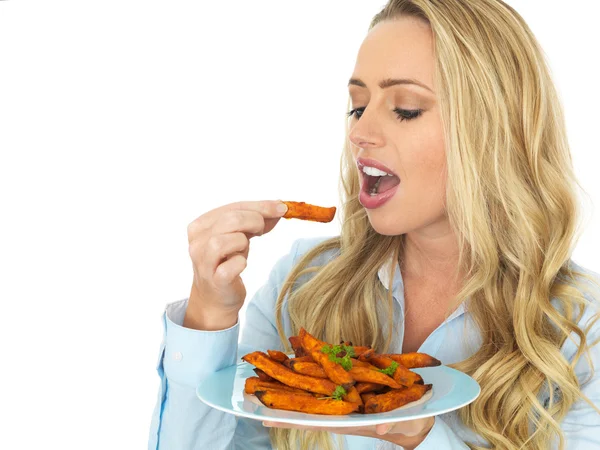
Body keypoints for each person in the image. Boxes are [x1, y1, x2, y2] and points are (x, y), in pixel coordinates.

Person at [148, 0, 600, 449]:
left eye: (405, 109)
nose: (359, 132)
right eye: (358, 106)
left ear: (495, 129)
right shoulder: (303, 283)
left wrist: (422, 437)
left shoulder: (584, 327)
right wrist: (209, 314)